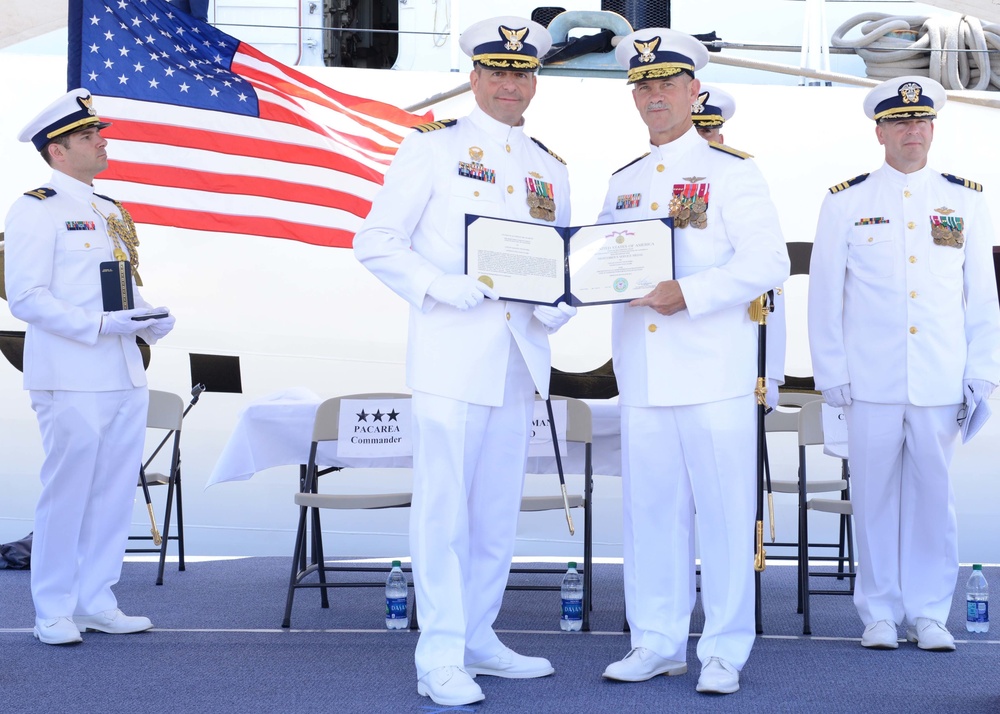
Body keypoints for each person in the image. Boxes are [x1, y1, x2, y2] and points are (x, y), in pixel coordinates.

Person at [353, 16, 574, 708]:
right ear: (475, 78)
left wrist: (559, 304)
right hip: (453, 355)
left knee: (495, 515)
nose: (511, 84)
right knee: (445, 513)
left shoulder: (550, 166)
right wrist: (440, 286)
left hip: (518, 360)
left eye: (523, 72)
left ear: (534, 81)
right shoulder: (432, 148)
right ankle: (440, 655)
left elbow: (559, 261)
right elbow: (377, 241)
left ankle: (479, 636)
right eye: (498, 71)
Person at [598, 28, 789, 695]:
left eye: (666, 84)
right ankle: (656, 642)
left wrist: (694, 294)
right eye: (643, 85)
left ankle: (724, 650)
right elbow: (598, 265)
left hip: (713, 373)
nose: (654, 95)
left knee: (725, 516)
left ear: (693, 91)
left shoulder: (731, 173)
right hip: (645, 376)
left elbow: (769, 262)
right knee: (650, 517)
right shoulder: (623, 181)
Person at [807, 76, 1000, 652]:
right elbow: (825, 295)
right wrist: (832, 372)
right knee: (873, 497)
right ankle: (880, 613)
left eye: (920, 121)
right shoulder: (847, 200)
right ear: (880, 131)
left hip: (940, 376)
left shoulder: (965, 199)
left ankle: (929, 611)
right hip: (870, 378)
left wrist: (983, 371)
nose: (911, 130)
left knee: (933, 498)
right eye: (899, 121)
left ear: (933, 129)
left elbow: (981, 295)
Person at [4, 88, 176, 645]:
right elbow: (25, 296)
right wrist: (100, 326)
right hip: (71, 374)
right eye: (87, 136)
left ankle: (96, 599)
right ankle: (53, 608)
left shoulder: (107, 209)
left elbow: (115, 290)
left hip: (122, 371)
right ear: (57, 151)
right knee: (68, 491)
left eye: (97, 133)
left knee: (112, 491)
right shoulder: (36, 207)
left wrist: (144, 320)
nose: (101, 141)